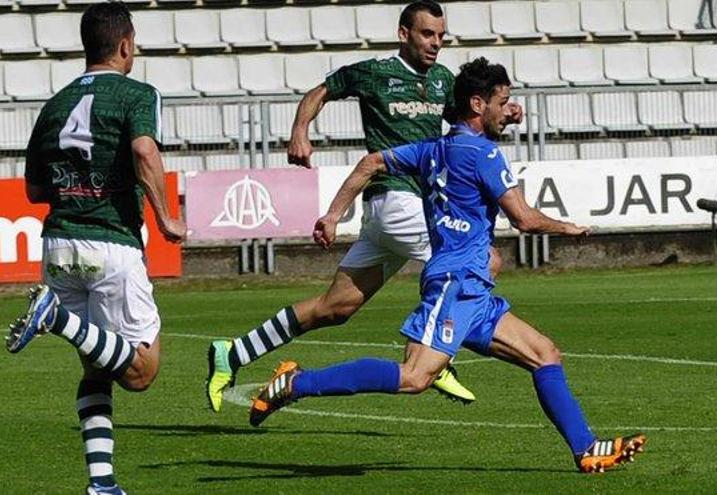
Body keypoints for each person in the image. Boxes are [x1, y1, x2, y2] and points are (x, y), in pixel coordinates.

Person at [247, 58, 646, 474]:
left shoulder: (432, 149)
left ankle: (586, 449)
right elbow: (524, 219)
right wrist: (568, 228)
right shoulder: (484, 154)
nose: (509, 111)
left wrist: (334, 214)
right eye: (503, 102)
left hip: (473, 289)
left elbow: (370, 164)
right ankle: (296, 384)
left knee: (544, 354)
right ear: (478, 104)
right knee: (415, 377)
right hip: (456, 284)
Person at [206, 0, 522, 411]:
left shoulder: (444, 80)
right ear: (403, 33)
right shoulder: (375, 73)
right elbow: (320, 92)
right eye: (427, 34)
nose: (436, 44)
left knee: (335, 307)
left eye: (441, 36)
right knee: (484, 259)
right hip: (395, 199)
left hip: (399, 215)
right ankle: (433, 351)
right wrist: (300, 130)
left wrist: (504, 113)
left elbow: (465, 126)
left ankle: (231, 352)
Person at [6, 3, 185, 494]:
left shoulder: (55, 104)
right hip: (110, 245)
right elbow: (145, 150)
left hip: (59, 245)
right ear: (126, 45)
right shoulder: (136, 93)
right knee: (142, 371)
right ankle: (54, 318)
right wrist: (165, 216)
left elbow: (35, 192)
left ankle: (101, 484)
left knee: (98, 363)